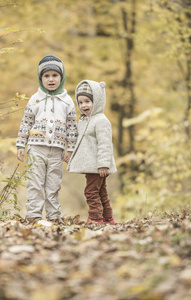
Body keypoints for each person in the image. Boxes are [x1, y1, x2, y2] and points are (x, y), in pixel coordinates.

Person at [16, 55, 78, 224]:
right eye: (46, 76)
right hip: (36, 149)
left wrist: (70, 149)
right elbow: (26, 123)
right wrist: (21, 144)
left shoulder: (67, 102)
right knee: (34, 183)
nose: (51, 79)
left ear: (61, 77)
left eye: (55, 75)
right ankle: (34, 216)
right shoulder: (35, 99)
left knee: (53, 185)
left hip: (57, 151)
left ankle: (54, 216)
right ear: (40, 78)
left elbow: (72, 127)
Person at [67, 80, 116, 225]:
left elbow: (105, 144)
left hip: (98, 166)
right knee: (101, 193)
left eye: (87, 101)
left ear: (97, 101)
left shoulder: (101, 121)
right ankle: (108, 219)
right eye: (80, 102)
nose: (84, 105)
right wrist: (71, 157)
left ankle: (95, 218)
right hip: (92, 166)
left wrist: (103, 164)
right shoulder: (84, 120)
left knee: (91, 192)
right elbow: (82, 143)